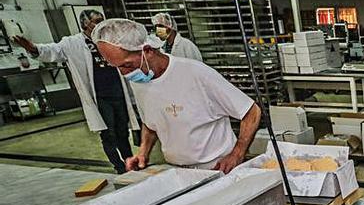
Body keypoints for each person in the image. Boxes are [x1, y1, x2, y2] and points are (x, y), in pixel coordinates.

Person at [90, 18, 260, 173]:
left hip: (217, 168)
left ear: (147, 50)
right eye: (117, 67)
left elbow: (251, 111)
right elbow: (150, 123)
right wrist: (143, 152)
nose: (124, 73)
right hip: (177, 170)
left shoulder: (195, 73)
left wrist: (237, 153)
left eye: (127, 65)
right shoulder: (138, 82)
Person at [13, 9, 139, 174]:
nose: (101, 24)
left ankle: (130, 163)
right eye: (96, 21)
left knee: (123, 131)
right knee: (109, 134)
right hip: (100, 97)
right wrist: (33, 48)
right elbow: (53, 50)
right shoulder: (72, 43)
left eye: (102, 20)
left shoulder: (110, 40)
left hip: (119, 92)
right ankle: (120, 167)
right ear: (85, 24)